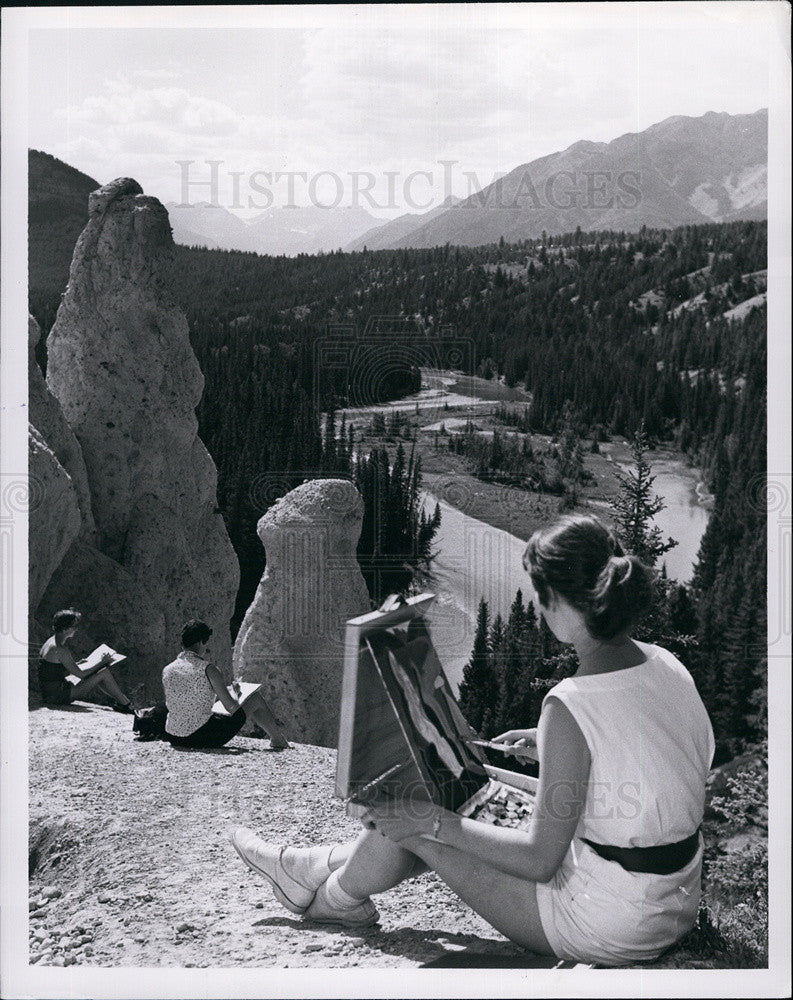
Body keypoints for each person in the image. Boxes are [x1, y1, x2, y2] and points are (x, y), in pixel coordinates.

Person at [229, 514, 715, 966]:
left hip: (611, 921)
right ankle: (308, 869)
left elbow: (540, 861)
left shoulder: (570, 705)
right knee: (448, 802)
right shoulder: (665, 663)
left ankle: (331, 901)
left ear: (564, 602)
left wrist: (435, 822)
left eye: (542, 595)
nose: (541, 608)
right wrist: (551, 744)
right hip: (673, 896)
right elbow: (650, 755)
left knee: (422, 816)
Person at [162, 619, 292, 751]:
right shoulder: (208, 669)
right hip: (200, 737)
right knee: (255, 699)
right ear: (201, 642)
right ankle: (277, 739)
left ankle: (277, 739)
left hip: (174, 736)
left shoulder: (167, 670)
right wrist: (236, 694)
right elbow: (232, 708)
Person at [38, 609, 135, 712]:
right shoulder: (60, 649)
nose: (76, 629)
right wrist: (102, 662)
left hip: (49, 693)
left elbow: (52, 668)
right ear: (65, 629)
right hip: (58, 696)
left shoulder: (50, 642)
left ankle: (122, 702)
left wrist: (77, 664)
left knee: (96, 673)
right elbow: (81, 675)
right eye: (74, 627)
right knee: (104, 673)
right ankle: (126, 704)